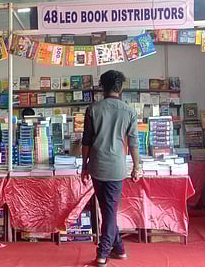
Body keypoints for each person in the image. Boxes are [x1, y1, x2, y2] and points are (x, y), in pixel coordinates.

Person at [81, 70, 140, 267]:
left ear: (102, 87)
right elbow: (133, 143)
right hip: (117, 167)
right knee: (109, 210)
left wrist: (84, 166)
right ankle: (115, 250)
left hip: (97, 165)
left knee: (106, 209)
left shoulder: (93, 109)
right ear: (120, 88)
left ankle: (105, 251)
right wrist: (137, 167)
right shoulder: (129, 111)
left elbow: (86, 141)